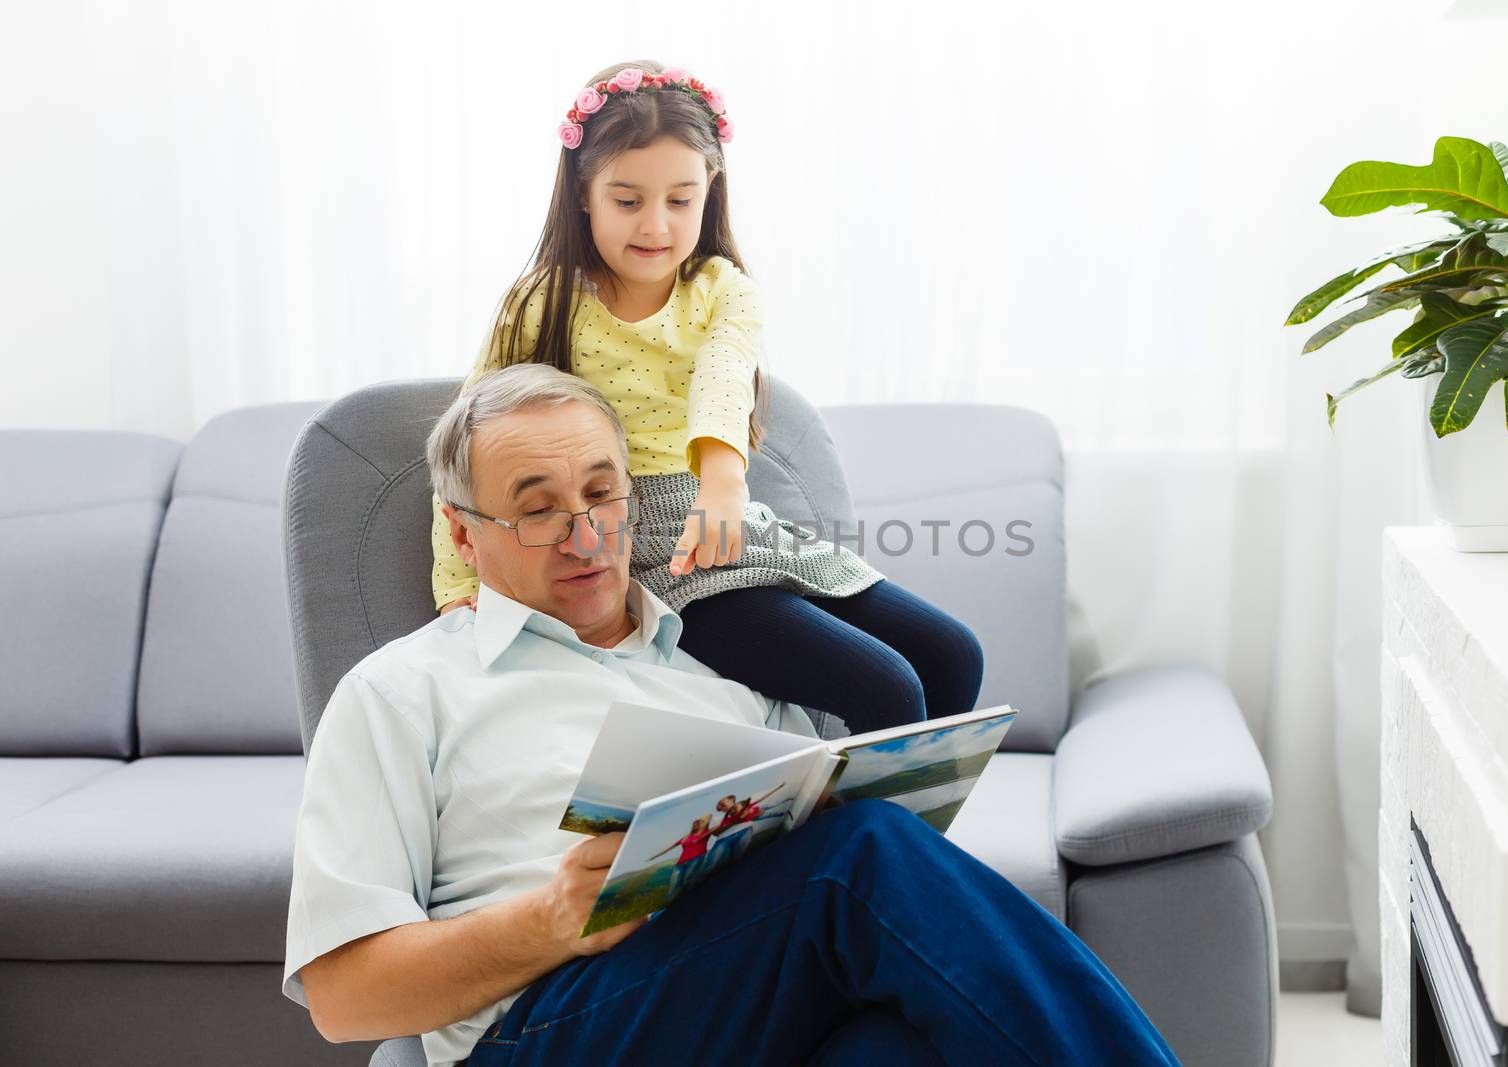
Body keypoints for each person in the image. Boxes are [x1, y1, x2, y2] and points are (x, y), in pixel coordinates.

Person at [282, 363, 1181, 1067]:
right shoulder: (401, 692)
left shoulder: (729, 664)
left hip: (746, 1016)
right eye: (537, 510)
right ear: (464, 533)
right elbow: (343, 999)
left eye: (602, 493)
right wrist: (550, 918)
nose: (587, 535)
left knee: (907, 1046)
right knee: (857, 857)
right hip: (543, 1033)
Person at [428, 59, 984, 735]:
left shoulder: (724, 289)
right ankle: (868, 843)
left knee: (953, 656)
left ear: (710, 190)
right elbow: (468, 444)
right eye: (627, 201)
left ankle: (910, 841)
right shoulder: (543, 305)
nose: (655, 226)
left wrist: (723, 477)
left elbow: (725, 377)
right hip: (645, 549)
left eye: (680, 200)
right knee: (887, 689)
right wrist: (458, 590)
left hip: (730, 522)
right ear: (583, 192)